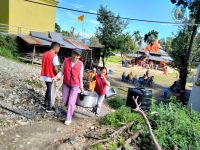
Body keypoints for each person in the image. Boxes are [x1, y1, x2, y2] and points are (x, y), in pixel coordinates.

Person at [54, 48, 84, 125]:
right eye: (74, 53)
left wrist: (81, 87)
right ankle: (71, 109)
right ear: (72, 53)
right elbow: (62, 71)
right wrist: (57, 77)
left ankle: (68, 118)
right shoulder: (66, 60)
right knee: (65, 100)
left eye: (77, 55)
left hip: (75, 85)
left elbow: (80, 77)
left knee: (71, 101)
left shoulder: (80, 64)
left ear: (79, 57)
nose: (75, 56)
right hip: (66, 84)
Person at [40, 42, 60, 112]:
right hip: (50, 75)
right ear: (56, 48)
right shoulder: (54, 56)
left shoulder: (45, 54)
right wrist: (57, 75)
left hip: (44, 74)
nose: (59, 50)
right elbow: (55, 68)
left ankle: (45, 103)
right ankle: (49, 107)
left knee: (48, 89)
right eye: (59, 49)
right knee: (50, 90)